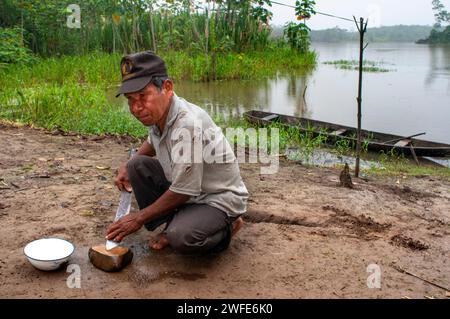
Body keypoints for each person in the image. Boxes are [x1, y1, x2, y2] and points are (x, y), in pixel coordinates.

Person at [106, 51, 248, 254]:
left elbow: (183, 190)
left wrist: (138, 218)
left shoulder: (187, 124)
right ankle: (177, 221)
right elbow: (153, 142)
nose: (136, 107)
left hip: (217, 197)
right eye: (130, 99)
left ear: (167, 88)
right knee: (136, 165)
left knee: (182, 237)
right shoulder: (162, 112)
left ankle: (228, 226)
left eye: (143, 96)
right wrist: (129, 163)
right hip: (191, 190)